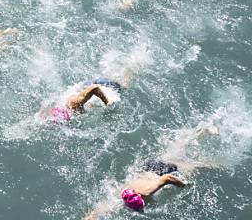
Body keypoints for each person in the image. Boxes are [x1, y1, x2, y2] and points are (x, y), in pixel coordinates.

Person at [84, 120, 219, 219]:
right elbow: (98, 212)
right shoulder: (122, 194)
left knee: (193, 168)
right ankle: (202, 130)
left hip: (163, 172)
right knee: (176, 149)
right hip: (148, 167)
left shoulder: (147, 192)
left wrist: (183, 184)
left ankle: (216, 164)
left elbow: (167, 178)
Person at [38, 75, 130, 124]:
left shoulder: (73, 106)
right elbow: (40, 118)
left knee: (125, 84)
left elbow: (95, 88)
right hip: (86, 87)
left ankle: (135, 63)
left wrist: (107, 102)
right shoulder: (59, 108)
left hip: (101, 85)